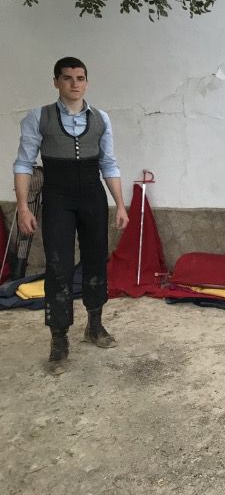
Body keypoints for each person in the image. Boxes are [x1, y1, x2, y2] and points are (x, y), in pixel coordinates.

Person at [14, 57, 129, 375]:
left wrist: (120, 204)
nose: (74, 84)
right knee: (58, 265)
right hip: (57, 196)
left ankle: (94, 325)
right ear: (56, 82)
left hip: (93, 195)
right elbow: (23, 163)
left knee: (96, 259)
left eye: (80, 78)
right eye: (67, 78)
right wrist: (23, 206)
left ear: (87, 82)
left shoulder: (101, 118)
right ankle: (59, 339)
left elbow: (110, 163)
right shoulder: (39, 117)